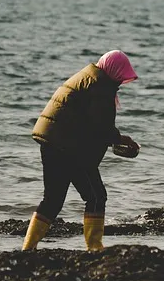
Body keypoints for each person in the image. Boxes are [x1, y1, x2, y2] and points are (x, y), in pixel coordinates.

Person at [22, 50, 140, 252]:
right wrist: (121, 139)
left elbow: (86, 122)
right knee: (96, 197)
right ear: (113, 71)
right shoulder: (101, 86)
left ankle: (28, 249)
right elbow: (101, 126)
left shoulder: (86, 77)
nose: (121, 81)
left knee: (52, 200)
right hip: (69, 148)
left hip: (51, 143)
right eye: (121, 76)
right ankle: (94, 248)